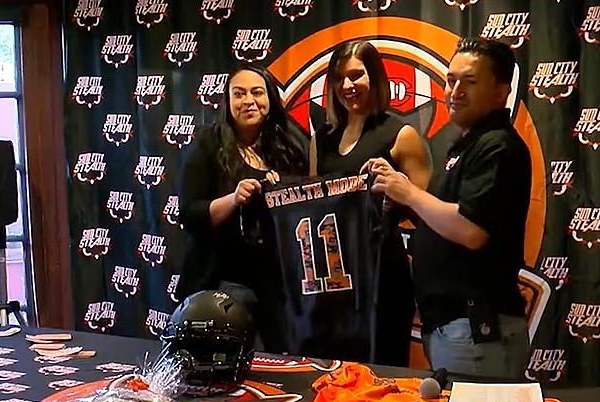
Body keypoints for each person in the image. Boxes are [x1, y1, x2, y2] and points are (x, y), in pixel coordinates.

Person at [368, 37, 531, 379]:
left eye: (469, 82)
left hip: (476, 332)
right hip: (455, 331)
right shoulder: (467, 144)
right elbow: (443, 220)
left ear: (502, 91)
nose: (455, 90)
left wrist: (410, 193)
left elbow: (471, 231)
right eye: (450, 80)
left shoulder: (497, 145)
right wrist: (399, 192)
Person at [310, 40, 431, 367]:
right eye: (338, 78)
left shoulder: (401, 135)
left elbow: (429, 216)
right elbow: (311, 209)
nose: (347, 86)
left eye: (355, 75)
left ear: (375, 78)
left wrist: (399, 186)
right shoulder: (320, 140)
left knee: (382, 376)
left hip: (383, 279)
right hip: (331, 282)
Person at [177, 64, 309, 352]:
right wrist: (234, 198)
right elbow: (189, 214)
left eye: (257, 92)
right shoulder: (208, 143)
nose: (248, 100)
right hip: (223, 285)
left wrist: (282, 187)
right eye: (239, 94)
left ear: (270, 99)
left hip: (277, 289)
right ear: (228, 101)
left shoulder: (289, 146)